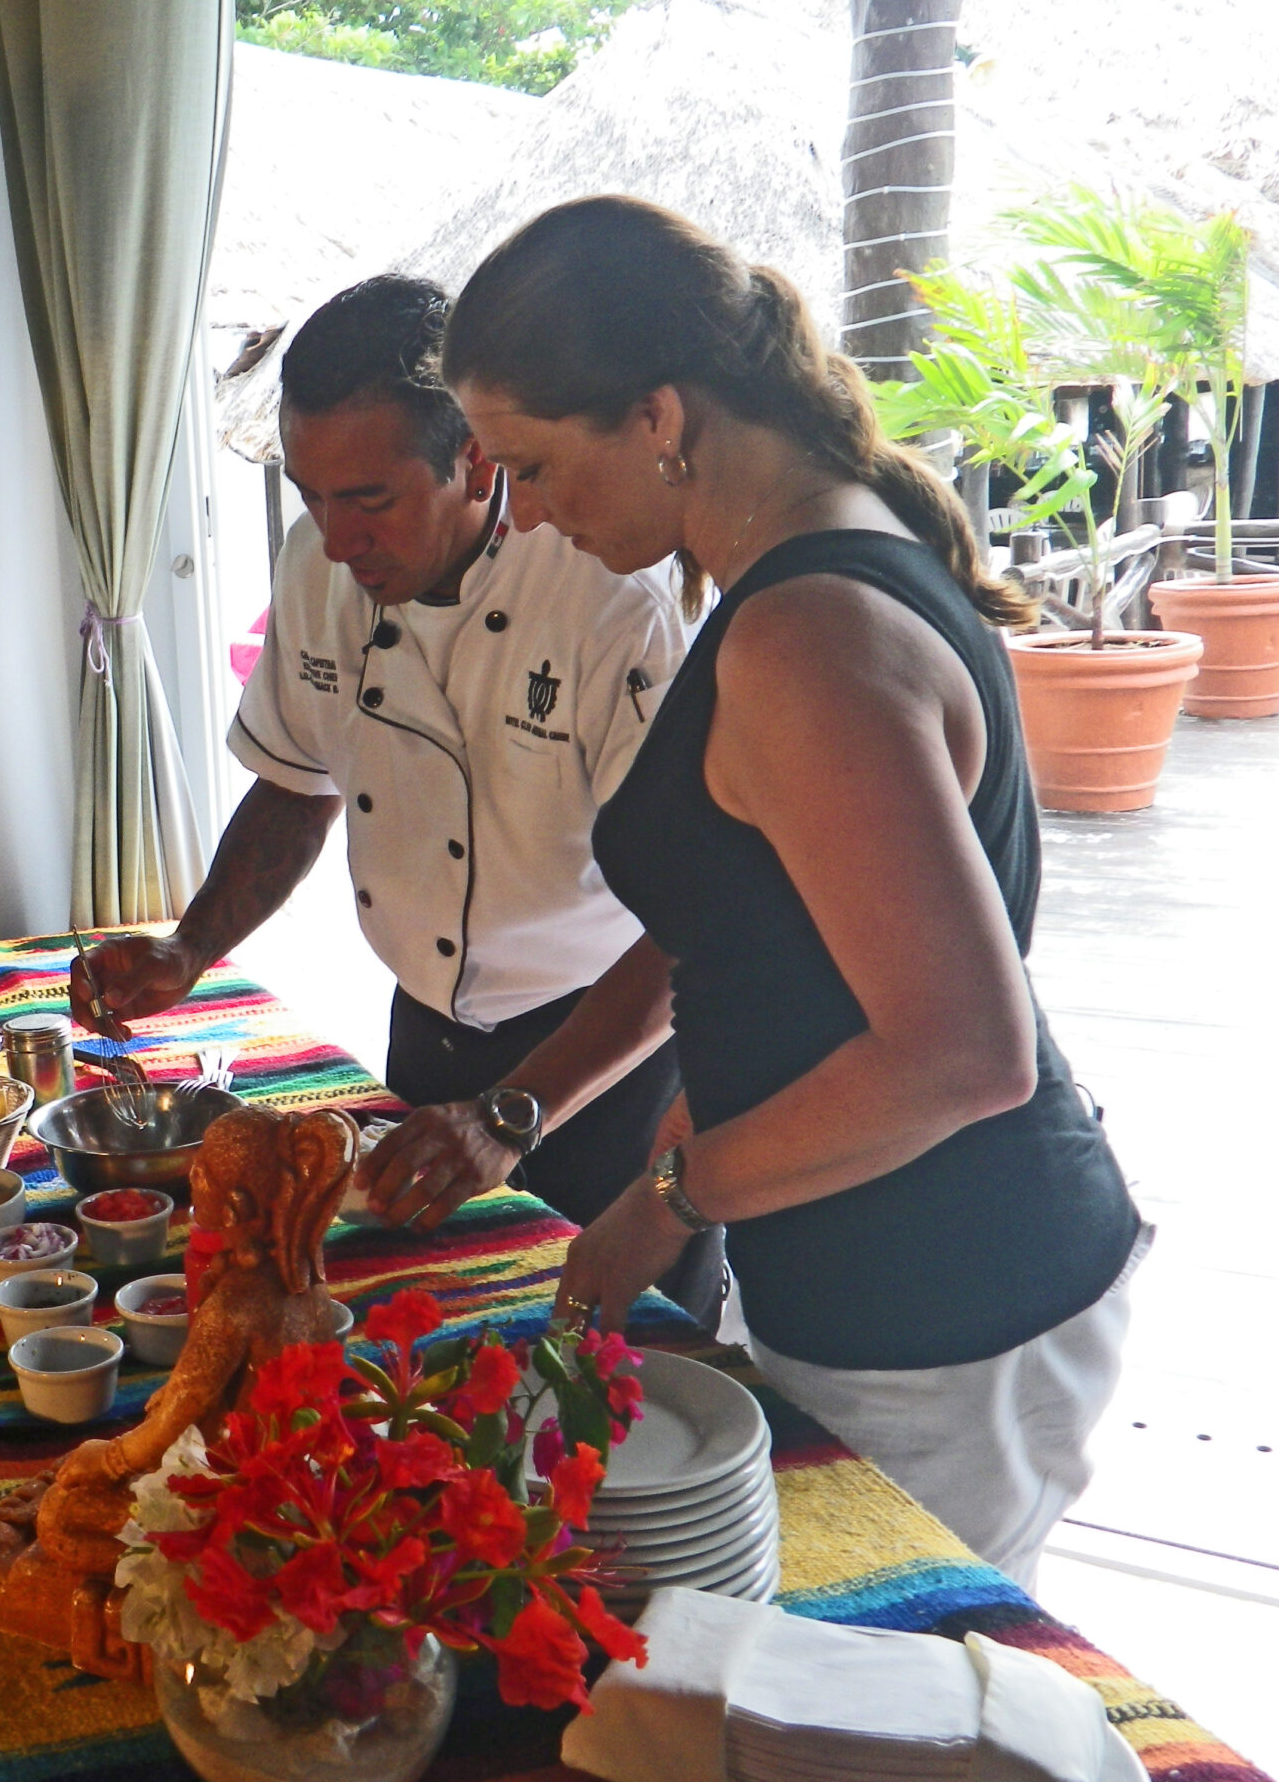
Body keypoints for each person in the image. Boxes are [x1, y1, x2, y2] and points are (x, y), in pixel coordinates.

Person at [438, 194, 1145, 1589]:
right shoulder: (801, 563)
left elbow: (961, 1056)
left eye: (528, 463)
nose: (520, 512)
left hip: (951, 1299)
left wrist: (672, 1193)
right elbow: (770, 960)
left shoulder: (806, 635)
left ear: (656, 417)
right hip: (882, 1275)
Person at [72, 275, 719, 1321]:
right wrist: (188, 949)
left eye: (368, 499)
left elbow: (698, 927)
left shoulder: (612, 600)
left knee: (616, 1383)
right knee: (430, 1350)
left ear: (473, 458)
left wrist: (515, 1111)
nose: (333, 538)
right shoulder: (317, 566)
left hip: (609, 1058)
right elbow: (295, 780)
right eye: (308, 494)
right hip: (425, 1043)